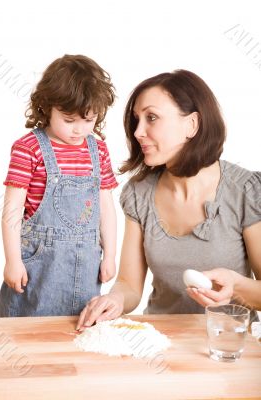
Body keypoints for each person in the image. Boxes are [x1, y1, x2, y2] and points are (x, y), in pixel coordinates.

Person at [76, 69, 261, 330]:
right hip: (161, 342)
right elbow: (129, 283)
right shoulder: (138, 193)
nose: (138, 131)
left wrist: (236, 286)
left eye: (152, 117)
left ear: (192, 125)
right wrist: (115, 299)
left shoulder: (245, 191)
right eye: (136, 120)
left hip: (227, 348)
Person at [0, 54, 118, 317]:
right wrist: (12, 261)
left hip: (84, 267)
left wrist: (109, 255)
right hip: (37, 268)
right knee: (28, 334)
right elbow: (12, 211)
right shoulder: (28, 149)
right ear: (46, 107)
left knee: (77, 334)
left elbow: (105, 208)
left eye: (89, 120)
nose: (79, 130)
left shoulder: (99, 150)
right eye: (69, 120)